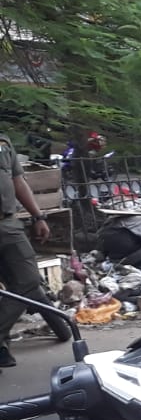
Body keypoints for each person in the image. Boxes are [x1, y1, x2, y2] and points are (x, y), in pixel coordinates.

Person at [0, 133, 69, 368]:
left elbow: (18, 181)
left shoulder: (3, 141)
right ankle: (2, 347)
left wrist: (38, 215)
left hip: (7, 223)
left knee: (28, 279)